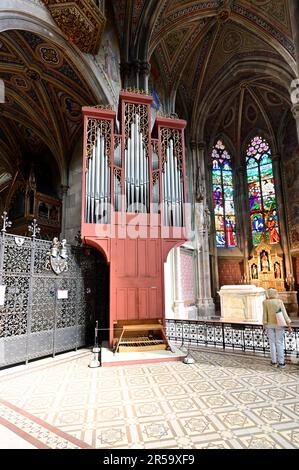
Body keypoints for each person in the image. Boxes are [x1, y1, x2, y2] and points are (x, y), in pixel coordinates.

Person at [263, 288, 292, 368]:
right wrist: (289, 325)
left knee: (272, 343)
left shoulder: (265, 302)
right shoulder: (279, 301)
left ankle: (274, 362)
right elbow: (284, 314)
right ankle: (281, 363)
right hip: (279, 324)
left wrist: (264, 325)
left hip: (269, 324)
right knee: (279, 343)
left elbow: (265, 315)